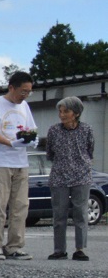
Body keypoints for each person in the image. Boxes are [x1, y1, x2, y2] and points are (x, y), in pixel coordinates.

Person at [0, 71, 37, 261]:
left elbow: (30, 129)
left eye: (29, 92)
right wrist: (8, 142)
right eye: (22, 91)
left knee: (20, 206)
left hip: (20, 162)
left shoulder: (25, 107)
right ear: (11, 87)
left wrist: (31, 140)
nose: (25, 95)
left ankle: (15, 246)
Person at [43, 96, 93, 262]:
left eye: (66, 111)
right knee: (59, 214)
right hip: (59, 177)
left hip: (82, 176)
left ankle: (80, 249)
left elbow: (89, 151)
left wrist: (82, 165)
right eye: (60, 111)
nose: (62, 115)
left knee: (80, 213)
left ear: (76, 113)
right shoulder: (53, 130)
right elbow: (49, 153)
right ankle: (59, 250)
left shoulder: (87, 130)